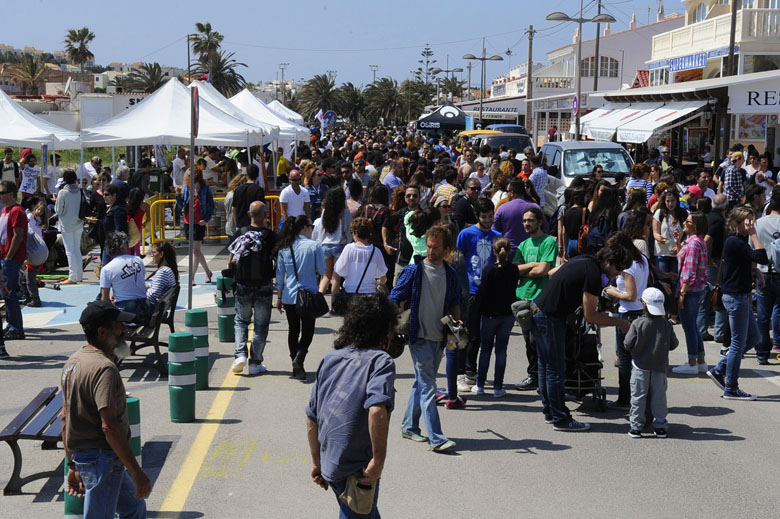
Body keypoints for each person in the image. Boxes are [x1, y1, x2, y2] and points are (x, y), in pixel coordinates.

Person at [306, 293, 398, 519]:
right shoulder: (380, 361)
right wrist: (378, 460)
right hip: (357, 467)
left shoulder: (331, 358)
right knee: (358, 511)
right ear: (384, 330)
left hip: (332, 463)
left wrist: (318, 462)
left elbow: (312, 417)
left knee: (355, 509)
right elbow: (377, 411)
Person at [61, 300, 152, 517]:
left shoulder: (73, 362)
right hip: (103, 461)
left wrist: (72, 463)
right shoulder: (105, 369)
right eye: (118, 325)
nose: (125, 330)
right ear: (102, 332)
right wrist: (136, 472)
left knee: (134, 507)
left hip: (91, 459)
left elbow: (65, 418)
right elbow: (109, 426)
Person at [533, 243, 633, 431]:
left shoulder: (585, 259)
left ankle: (551, 412)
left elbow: (552, 273)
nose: (617, 275)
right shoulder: (593, 273)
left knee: (546, 366)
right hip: (551, 318)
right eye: (618, 269)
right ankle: (561, 419)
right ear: (608, 261)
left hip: (540, 310)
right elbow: (591, 316)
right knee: (555, 369)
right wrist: (621, 323)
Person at [391, 224, 460, 452]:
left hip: (440, 338)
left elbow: (455, 304)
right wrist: (389, 328)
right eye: (429, 246)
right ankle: (437, 438)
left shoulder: (451, 274)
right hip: (418, 337)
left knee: (421, 383)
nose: (431, 251)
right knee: (429, 385)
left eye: (436, 247)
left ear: (446, 249)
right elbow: (395, 297)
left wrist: (456, 335)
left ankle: (409, 426)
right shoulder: (414, 271)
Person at [707, 206, 768, 400]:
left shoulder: (739, 242)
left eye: (752, 220)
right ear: (736, 222)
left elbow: (744, 261)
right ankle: (731, 388)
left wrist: (753, 271)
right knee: (737, 344)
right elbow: (761, 257)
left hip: (740, 296)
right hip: (736, 297)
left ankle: (720, 370)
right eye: (746, 220)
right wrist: (755, 234)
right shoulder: (735, 241)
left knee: (753, 339)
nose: (750, 224)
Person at [455, 198, 500, 392]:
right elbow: (457, 261)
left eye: (491, 216)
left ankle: (476, 372)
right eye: (484, 216)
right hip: (470, 291)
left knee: (484, 335)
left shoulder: (497, 236)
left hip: (489, 293)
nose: (488, 220)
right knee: (467, 333)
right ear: (477, 216)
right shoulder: (466, 234)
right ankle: (463, 372)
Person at [275, 215, 326, 380]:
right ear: (305, 227)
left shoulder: (285, 248)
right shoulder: (314, 246)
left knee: (293, 330)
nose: (312, 230)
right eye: (311, 227)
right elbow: (321, 269)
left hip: (290, 295)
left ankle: (295, 364)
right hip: (308, 295)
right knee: (308, 331)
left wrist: (279, 297)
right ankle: (300, 357)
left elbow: (280, 274)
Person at [229, 201, 276, 376]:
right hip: (263, 284)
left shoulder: (241, 233)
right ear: (265, 215)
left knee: (241, 321)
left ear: (249, 214)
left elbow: (230, 259)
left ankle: (240, 355)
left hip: (243, 284)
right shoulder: (270, 236)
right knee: (261, 326)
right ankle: (255, 362)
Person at [624, 287, 679, 438]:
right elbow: (674, 344)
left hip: (640, 365)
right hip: (660, 366)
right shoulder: (667, 324)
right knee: (659, 397)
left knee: (638, 396)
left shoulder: (637, 323)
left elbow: (627, 344)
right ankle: (660, 426)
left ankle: (636, 427)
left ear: (643, 304)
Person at [603, 232, 650, 407]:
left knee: (624, 358)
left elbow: (630, 295)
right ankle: (640, 396)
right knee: (638, 358)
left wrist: (611, 291)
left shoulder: (628, 267)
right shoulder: (642, 260)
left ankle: (625, 398)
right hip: (642, 312)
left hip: (628, 313)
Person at [513, 206, 556, 391]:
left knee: (538, 341)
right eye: (524, 220)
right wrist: (532, 267)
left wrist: (526, 271)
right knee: (528, 340)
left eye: (530, 220)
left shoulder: (548, 242)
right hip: (523, 297)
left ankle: (542, 376)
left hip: (540, 298)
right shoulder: (523, 245)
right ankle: (533, 376)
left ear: (539, 222)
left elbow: (543, 270)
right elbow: (515, 269)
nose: (526, 224)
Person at [470, 237, 519, 397]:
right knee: (501, 350)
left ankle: (480, 384)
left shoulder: (489, 270)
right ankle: (498, 386)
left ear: (494, 251)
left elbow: (483, 292)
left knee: (485, 349)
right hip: (507, 314)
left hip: (490, 314)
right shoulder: (514, 270)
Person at [671, 212, 710, 374]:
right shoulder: (695, 242)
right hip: (696, 290)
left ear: (695, 225)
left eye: (687, 221)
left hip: (690, 291)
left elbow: (689, 272)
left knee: (689, 327)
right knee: (693, 326)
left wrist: (682, 293)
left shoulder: (694, 244)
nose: (684, 223)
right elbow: (683, 260)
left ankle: (692, 362)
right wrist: (678, 243)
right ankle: (700, 360)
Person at [313, 188, 353, 309]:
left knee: (326, 276)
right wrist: (347, 243)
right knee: (336, 277)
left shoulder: (325, 211)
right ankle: (334, 307)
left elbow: (321, 230)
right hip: (339, 246)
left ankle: (317, 303)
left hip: (325, 245)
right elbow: (348, 231)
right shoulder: (345, 212)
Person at [100, 232, 150, 326]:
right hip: (144, 309)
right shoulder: (138, 260)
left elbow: (105, 300)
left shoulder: (107, 269)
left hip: (126, 311)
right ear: (123, 246)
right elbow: (138, 283)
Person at [332, 217, 387, 301]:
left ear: (355, 233)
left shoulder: (349, 248)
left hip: (351, 294)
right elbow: (383, 275)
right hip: (370, 295)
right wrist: (379, 283)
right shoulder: (376, 251)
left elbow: (339, 270)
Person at [754, 191, 780, 365]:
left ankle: (762, 352)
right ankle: (778, 345)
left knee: (763, 314)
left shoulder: (759, 223)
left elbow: (752, 249)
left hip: (762, 271)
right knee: (778, 310)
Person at [0, 181, 27, 340]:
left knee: (9, 293)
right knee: (7, 293)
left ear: (11, 194)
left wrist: (9, 256)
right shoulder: (5, 210)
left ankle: (16, 328)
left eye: (1, 192)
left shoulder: (17, 211)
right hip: (4, 257)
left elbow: (18, 236)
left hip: (11, 258)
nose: (0, 196)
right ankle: (12, 325)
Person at [182, 163, 215, 284]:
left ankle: (192, 277)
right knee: (196, 250)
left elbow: (211, 206)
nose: (189, 178)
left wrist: (206, 219)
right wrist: (177, 196)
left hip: (199, 223)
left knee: (195, 251)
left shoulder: (205, 189)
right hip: (188, 221)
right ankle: (208, 272)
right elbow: (182, 204)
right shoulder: (186, 188)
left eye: (191, 176)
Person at [492, 180, 542, 253]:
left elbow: (494, 231)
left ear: (512, 193)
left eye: (508, 191)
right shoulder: (536, 207)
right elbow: (545, 229)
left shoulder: (502, 208)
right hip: (533, 250)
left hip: (509, 250)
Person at [55, 170, 85, 285]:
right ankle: (79, 274)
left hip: (66, 224)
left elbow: (58, 210)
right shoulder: (80, 191)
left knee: (69, 251)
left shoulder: (63, 192)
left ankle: (72, 276)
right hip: (78, 223)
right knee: (77, 249)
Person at [232, 164, 266, 232]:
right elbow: (261, 208)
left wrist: (237, 223)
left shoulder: (238, 189)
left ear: (246, 175)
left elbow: (233, 208)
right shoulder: (259, 190)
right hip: (254, 226)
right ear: (257, 175)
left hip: (240, 226)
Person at [101, 184, 128, 267]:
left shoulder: (118, 209)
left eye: (107, 195)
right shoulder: (111, 208)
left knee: (114, 269)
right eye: (103, 194)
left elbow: (119, 228)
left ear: (114, 195)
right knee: (105, 269)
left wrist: (119, 245)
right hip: (108, 244)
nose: (104, 197)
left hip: (115, 246)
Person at [146, 241, 178, 308]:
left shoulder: (163, 272)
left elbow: (152, 295)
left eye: (154, 252)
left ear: (161, 254)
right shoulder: (168, 269)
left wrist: (138, 295)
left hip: (152, 308)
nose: (152, 255)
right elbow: (159, 285)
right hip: (159, 308)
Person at [223, 173, 247, 241]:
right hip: (234, 226)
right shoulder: (233, 195)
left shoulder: (230, 194)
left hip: (231, 226)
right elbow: (233, 211)